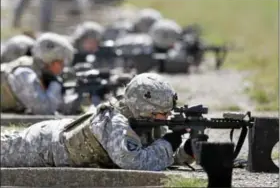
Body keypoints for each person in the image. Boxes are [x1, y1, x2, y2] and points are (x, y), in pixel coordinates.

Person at [1, 73, 208, 170]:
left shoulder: (145, 119)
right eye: (160, 113)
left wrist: (185, 152)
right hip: (42, 145)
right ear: (143, 107)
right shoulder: (113, 120)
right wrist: (169, 142)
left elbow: (154, 156)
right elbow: (135, 162)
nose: (165, 118)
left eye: (166, 112)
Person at [1, 32, 80, 115]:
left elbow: (60, 106)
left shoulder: (41, 75)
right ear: (49, 60)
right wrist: (55, 84)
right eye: (61, 62)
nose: (63, 66)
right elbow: (44, 110)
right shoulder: (23, 73)